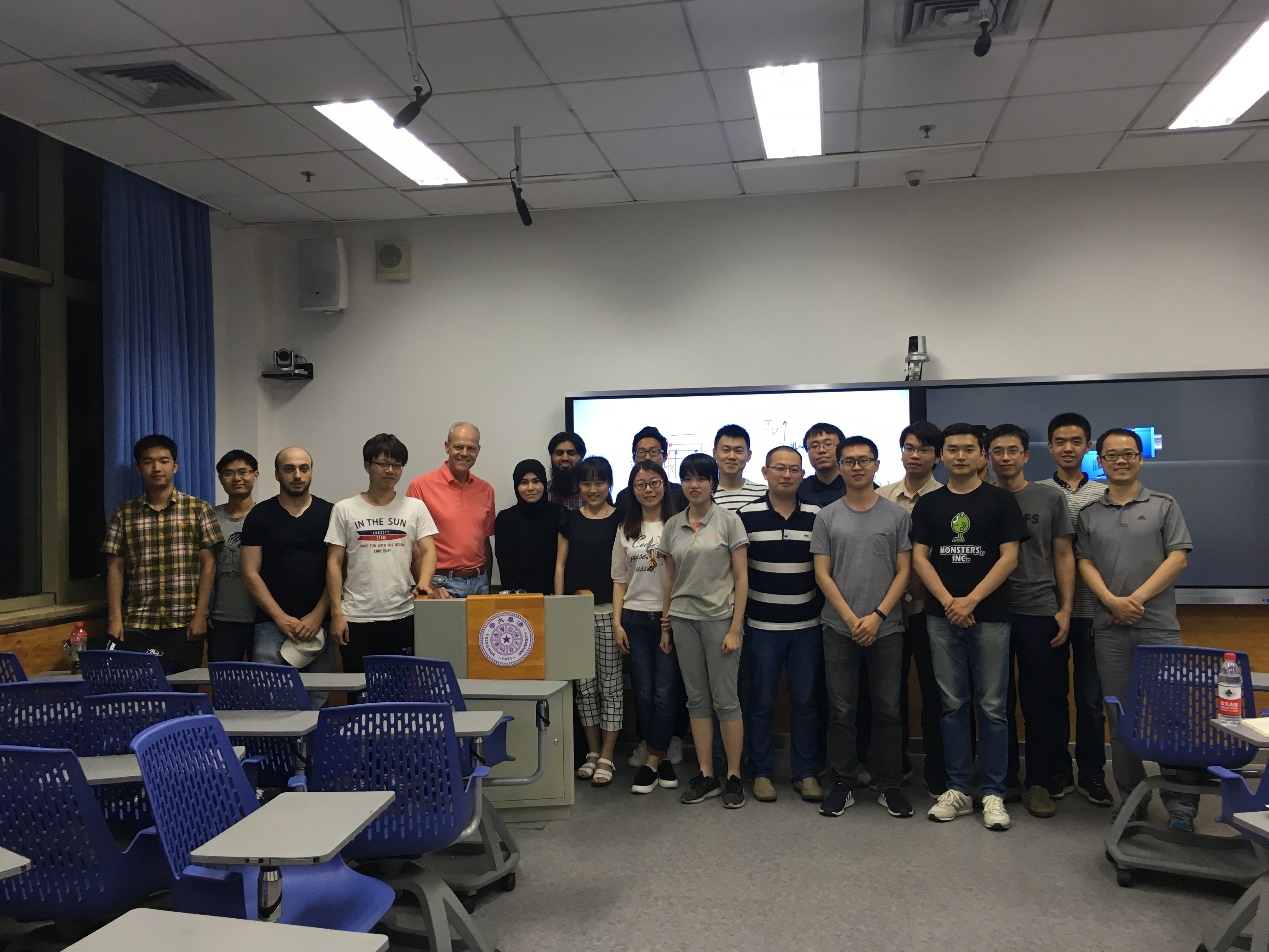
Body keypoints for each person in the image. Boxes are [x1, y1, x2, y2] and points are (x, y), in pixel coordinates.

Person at [1076, 427, 1197, 831]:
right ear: (1100, 462)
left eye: (1128, 453)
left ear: (1140, 458)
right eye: (1111, 455)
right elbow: (1084, 562)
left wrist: (1135, 600)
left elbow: (1178, 558)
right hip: (1110, 629)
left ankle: (1181, 804)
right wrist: (1112, 602)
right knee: (1120, 718)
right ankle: (1132, 799)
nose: (1121, 460)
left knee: (1171, 717)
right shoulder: (1089, 514)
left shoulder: (1164, 505)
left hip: (1158, 628)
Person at [910, 423, 1027, 831]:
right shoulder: (929, 504)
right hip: (941, 617)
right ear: (941, 455)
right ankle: (958, 788)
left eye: (968, 449)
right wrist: (949, 602)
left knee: (992, 707)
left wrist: (971, 600)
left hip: (990, 616)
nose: (960, 456)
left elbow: (1009, 557)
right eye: (952, 449)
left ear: (981, 455)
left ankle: (993, 792)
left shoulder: (1001, 501)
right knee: (952, 705)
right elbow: (920, 558)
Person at [812, 437, 914, 819]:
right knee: (841, 709)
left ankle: (889, 784)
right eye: (849, 461)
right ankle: (843, 782)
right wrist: (852, 619)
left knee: (888, 709)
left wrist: (877, 616)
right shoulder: (827, 516)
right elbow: (822, 573)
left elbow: (904, 571)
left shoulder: (896, 516)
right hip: (839, 628)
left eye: (864, 460)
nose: (857, 467)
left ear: (876, 465)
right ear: (839, 467)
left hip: (886, 628)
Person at [988, 424, 1075, 820]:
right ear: (989, 456)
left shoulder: (1049, 497)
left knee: (1042, 701)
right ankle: (1004, 778)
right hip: (992, 611)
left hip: (1040, 610)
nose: (1005, 457)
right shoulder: (980, 497)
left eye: (1013, 450)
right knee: (997, 701)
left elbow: (1063, 554)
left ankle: (1039, 781)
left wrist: (1065, 608)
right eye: (998, 451)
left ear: (1026, 455)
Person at [657, 453, 749, 809]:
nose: (694, 485)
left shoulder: (729, 522)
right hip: (683, 620)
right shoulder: (673, 524)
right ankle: (707, 774)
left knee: (726, 700)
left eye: (701, 478)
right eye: (687, 478)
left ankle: (734, 776)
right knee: (696, 700)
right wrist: (666, 625)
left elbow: (741, 578)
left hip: (720, 620)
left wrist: (735, 628)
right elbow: (669, 579)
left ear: (713, 483)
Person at [738, 446, 823, 804]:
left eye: (793, 469)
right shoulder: (745, 515)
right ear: (765, 472)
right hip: (762, 627)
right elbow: (737, 573)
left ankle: (806, 773)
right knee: (760, 702)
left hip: (807, 627)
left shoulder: (818, 515)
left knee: (806, 702)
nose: (786, 475)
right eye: (779, 468)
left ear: (802, 475)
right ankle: (761, 772)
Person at [1037, 412, 1113, 807]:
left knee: (1090, 699)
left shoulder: (1105, 494)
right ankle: (1058, 769)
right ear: (1050, 447)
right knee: (1051, 697)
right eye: (1060, 442)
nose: (1068, 448)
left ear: (1088, 447)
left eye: (1076, 441)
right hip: (1047, 611)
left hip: (1093, 611)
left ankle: (1093, 773)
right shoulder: (1035, 492)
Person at [102, 434, 223, 674]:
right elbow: (115, 567)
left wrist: (200, 615)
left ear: (174, 466)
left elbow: (208, 565)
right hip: (138, 622)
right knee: (140, 690)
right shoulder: (124, 513)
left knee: (183, 689)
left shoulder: (199, 509)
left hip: (184, 622)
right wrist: (115, 619)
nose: (156, 468)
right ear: (139, 469)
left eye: (164, 461)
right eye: (148, 462)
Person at [326, 434, 438, 673]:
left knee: (399, 687)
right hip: (356, 616)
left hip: (402, 615)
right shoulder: (344, 509)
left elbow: (428, 550)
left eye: (397, 465)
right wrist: (336, 612)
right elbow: (334, 563)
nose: (390, 470)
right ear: (367, 465)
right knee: (359, 688)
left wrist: (424, 582)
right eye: (383, 464)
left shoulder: (415, 507)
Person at [877, 421, 946, 796]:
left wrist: (914, 588)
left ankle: (937, 769)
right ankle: (895, 763)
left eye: (923, 449)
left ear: (937, 456)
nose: (914, 455)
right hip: (887, 611)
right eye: (909, 447)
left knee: (935, 692)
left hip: (929, 609)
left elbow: (943, 558)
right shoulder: (882, 496)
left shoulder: (947, 497)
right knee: (890, 693)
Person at [240, 447, 337, 699]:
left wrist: (317, 616)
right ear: (276, 474)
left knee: (317, 700)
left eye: (303, 468)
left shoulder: (331, 514)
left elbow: (339, 569)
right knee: (269, 701)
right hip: (271, 625)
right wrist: (280, 618)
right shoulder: (259, 515)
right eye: (289, 469)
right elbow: (249, 572)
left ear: (311, 472)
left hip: (319, 625)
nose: (297, 475)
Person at [612, 461, 680, 795]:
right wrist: (617, 622)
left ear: (665, 485)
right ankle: (660, 756)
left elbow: (680, 575)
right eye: (640, 484)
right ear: (633, 490)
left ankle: (654, 759)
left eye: (654, 482)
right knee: (643, 692)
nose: (648, 489)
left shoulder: (677, 524)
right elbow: (619, 579)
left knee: (665, 692)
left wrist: (670, 618)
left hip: (669, 618)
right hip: (635, 619)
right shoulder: (625, 528)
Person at [555, 456, 624, 788]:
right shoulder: (569, 518)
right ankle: (593, 751)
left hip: (610, 612)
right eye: (586, 483)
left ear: (609, 484)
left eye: (599, 482)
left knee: (611, 687)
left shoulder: (621, 518)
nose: (593, 489)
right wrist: (560, 608)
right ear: (578, 487)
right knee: (584, 688)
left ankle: (608, 754)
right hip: (576, 612)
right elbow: (560, 564)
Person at [406, 422, 495, 598]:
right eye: (458, 447)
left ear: (478, 451)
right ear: (447, 447)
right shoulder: (420, 486)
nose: (464, 453)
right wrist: (427, 586)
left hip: (479, 582)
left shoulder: (486, 490)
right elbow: (413, 545)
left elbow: (485, 541)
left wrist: (488, 584)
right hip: (440, 584)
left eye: (471, 448)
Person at [209, 450, 259, 663]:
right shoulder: (210, 518)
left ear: (255, 475)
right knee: (224, 680)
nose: (236, 478)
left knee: (264, 680)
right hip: (221, 619)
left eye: (243, 472)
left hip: (263, 619)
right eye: (228, 473)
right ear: (220, 479)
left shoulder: (267, 515)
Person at [493, 459, 561, 595]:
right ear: (516, 486)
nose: (530, 488)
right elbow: (504, 562)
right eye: (524, 482)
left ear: (544, 483)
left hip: (553, 594)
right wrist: (517, 595)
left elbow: (562, 561)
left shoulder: (559, 514)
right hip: (516, 596)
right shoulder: (505, 518)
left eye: (536, 481)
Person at [614, 426, 687, 514]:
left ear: (665, 457)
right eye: (641, 452)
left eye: (654, 451)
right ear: (633, 458)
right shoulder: (623, 497)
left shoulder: (681, 494)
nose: (647, 457)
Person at [712, 424, 766, 512]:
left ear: (749, 455)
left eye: (738, 451)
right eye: (726, 450)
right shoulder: (703, 494)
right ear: (714, 453)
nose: (732, 456)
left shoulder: (764, 494)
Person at [797, 423, 847, 507]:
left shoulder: (855, 486)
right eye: (814, 446)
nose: (821, 450)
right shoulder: (797, 488)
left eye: (828, 444)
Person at [547, 431, 586, 510]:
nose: (565, 458)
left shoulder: (592, 493)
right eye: (559, 453)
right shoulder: (543, 491)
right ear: (551, 457)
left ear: (581, 457)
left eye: (571, 453)